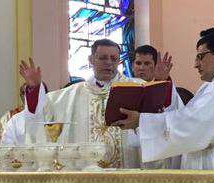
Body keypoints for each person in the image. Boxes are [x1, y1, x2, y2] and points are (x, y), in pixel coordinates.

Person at [18, 39, 181, 168]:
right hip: (87, 176)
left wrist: (161, 83)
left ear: (119, 61)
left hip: (130, 171)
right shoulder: (72, 94)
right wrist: (34, 89)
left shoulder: (138, 87)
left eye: (113, 58)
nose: (108, 63)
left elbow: (166, 114)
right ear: (91, 60)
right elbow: (42, 112)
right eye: (103, 58)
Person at [115, 27, 214, 170]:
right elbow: (187, 117)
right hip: (212, 156)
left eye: (200, 56)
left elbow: (191, 124)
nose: (195, 64)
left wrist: (141, 121)